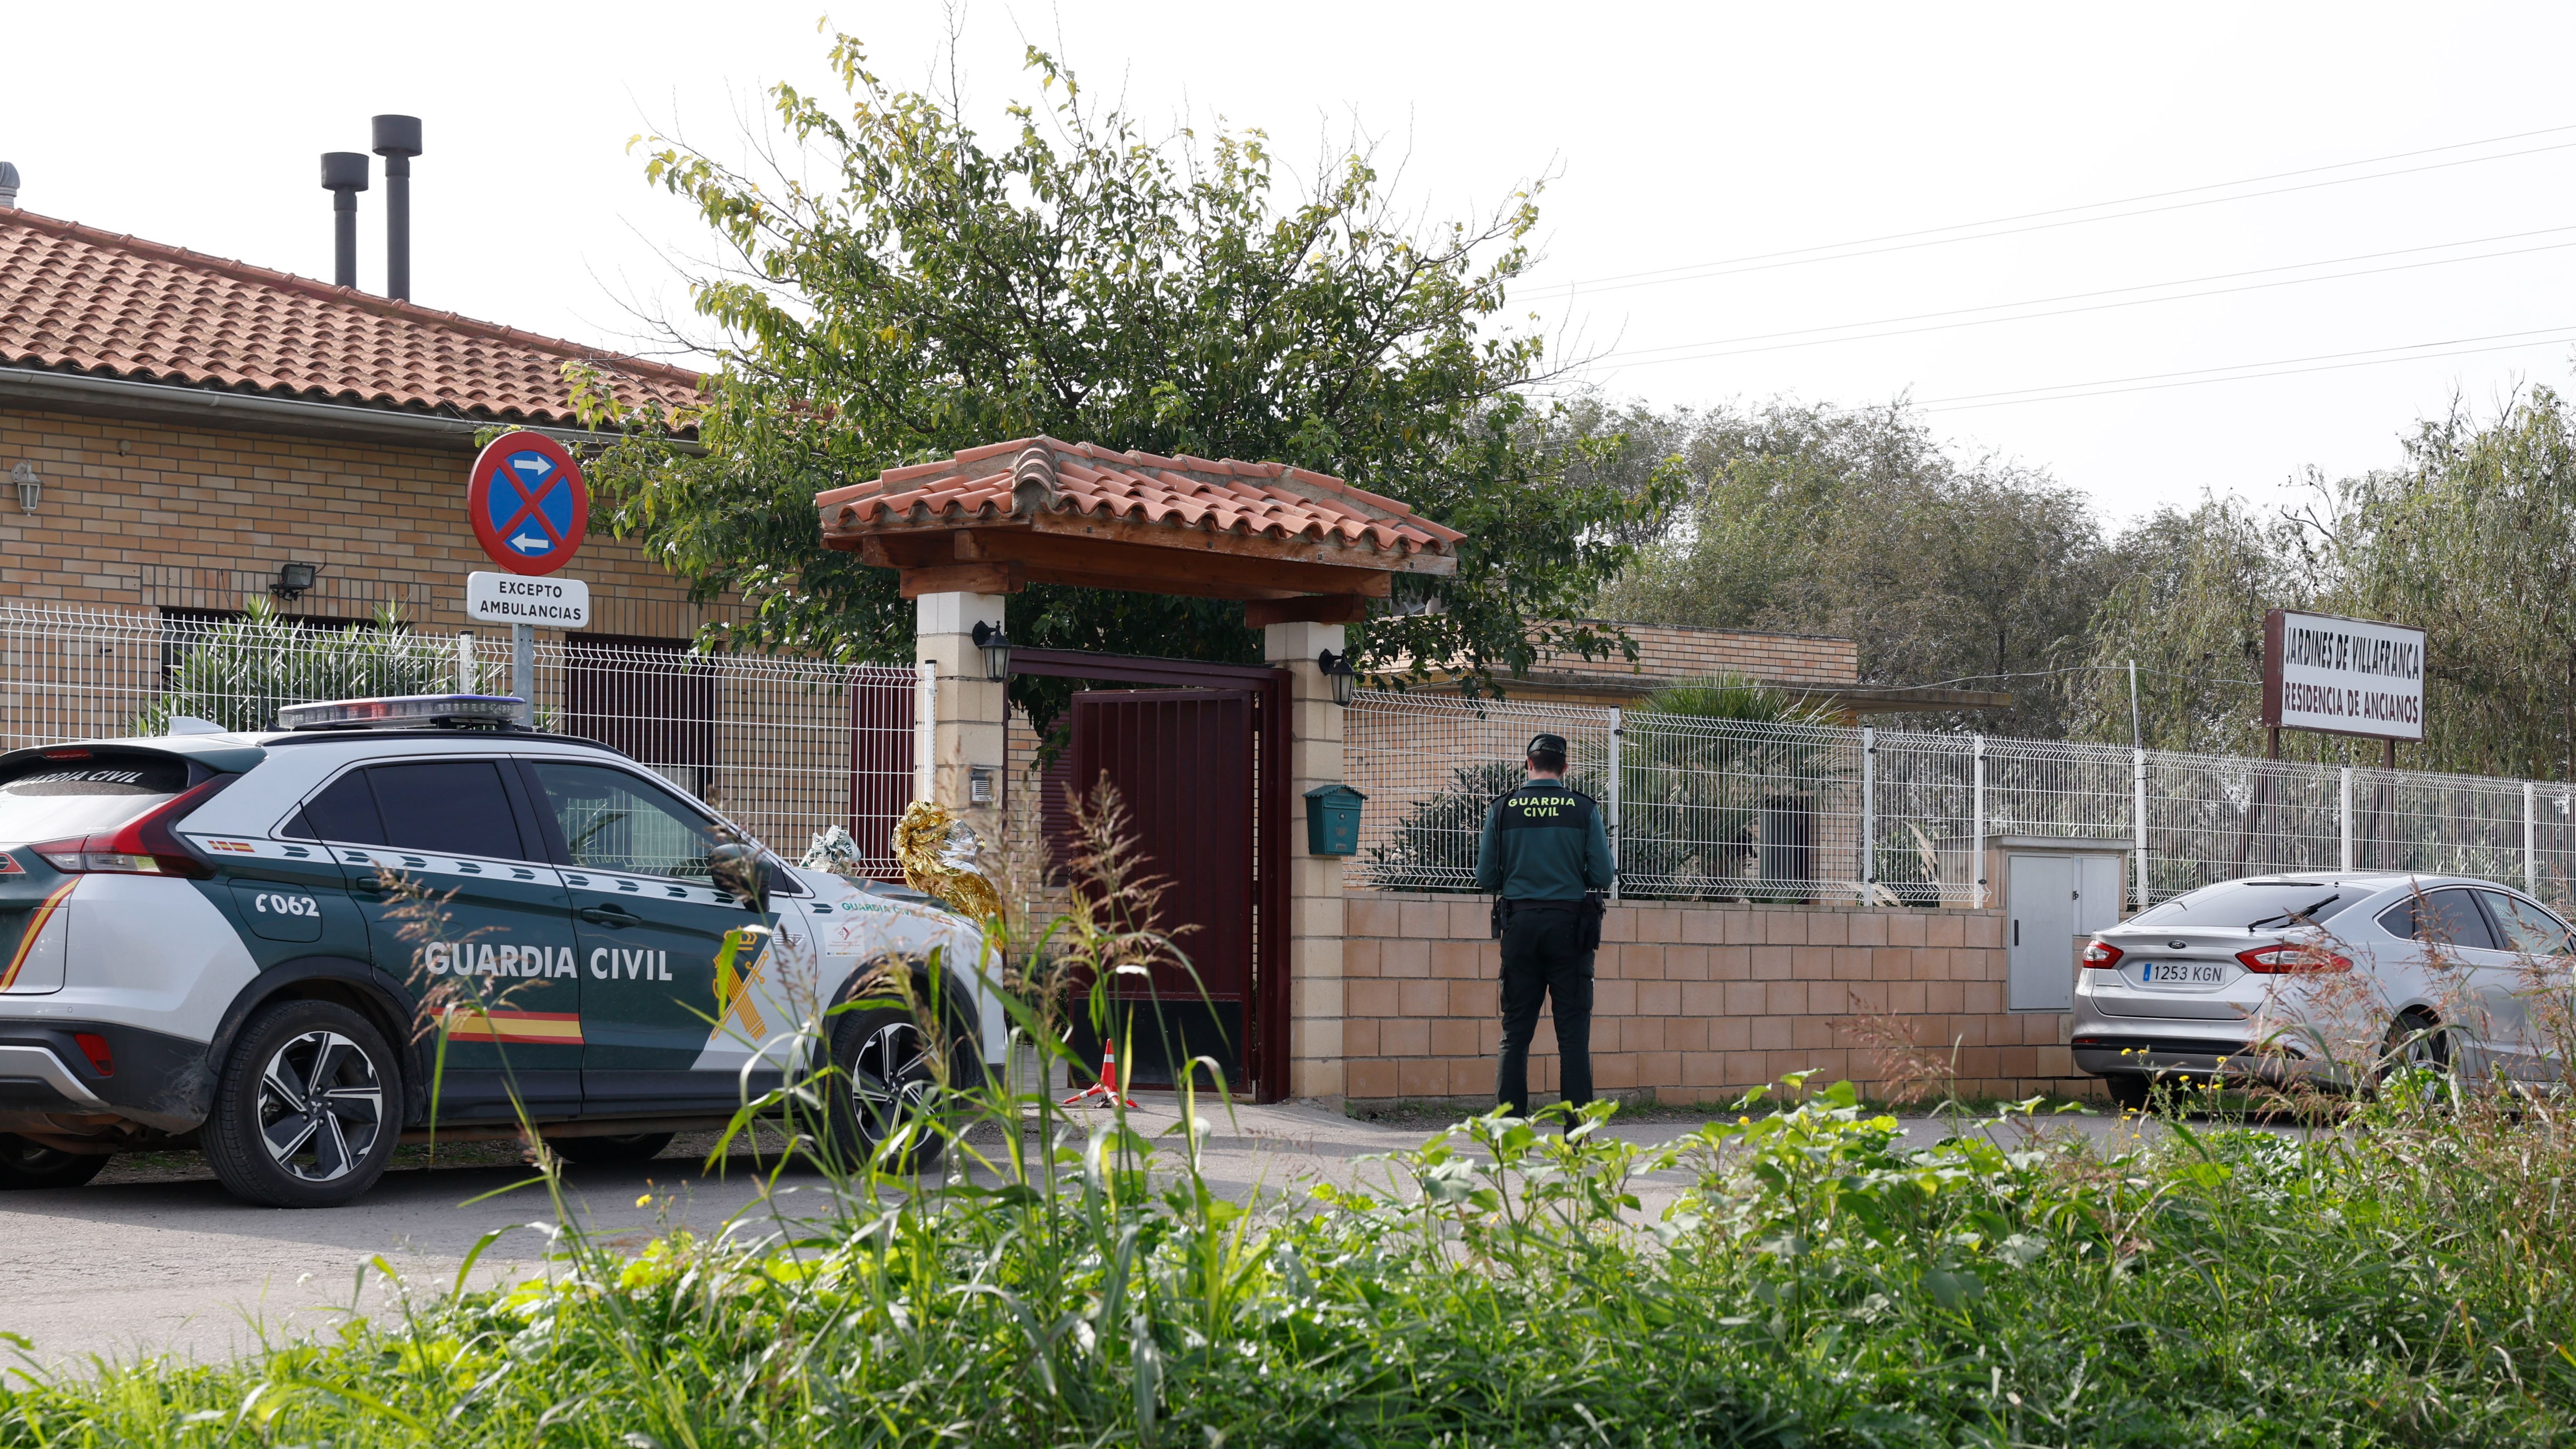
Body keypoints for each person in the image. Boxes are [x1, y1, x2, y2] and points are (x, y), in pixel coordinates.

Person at [1474, 732, 1615, 1121]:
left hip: (1519, 927)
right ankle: (1576, 1139)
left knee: (1515, 1034)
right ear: (1565, 768)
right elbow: (1603, 874)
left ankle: (1510, 1136)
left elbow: (1486, 877)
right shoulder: (1583, 809)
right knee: (1573, 1039)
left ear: (1528, 764)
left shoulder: (1503, 809)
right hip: (1570, 929)